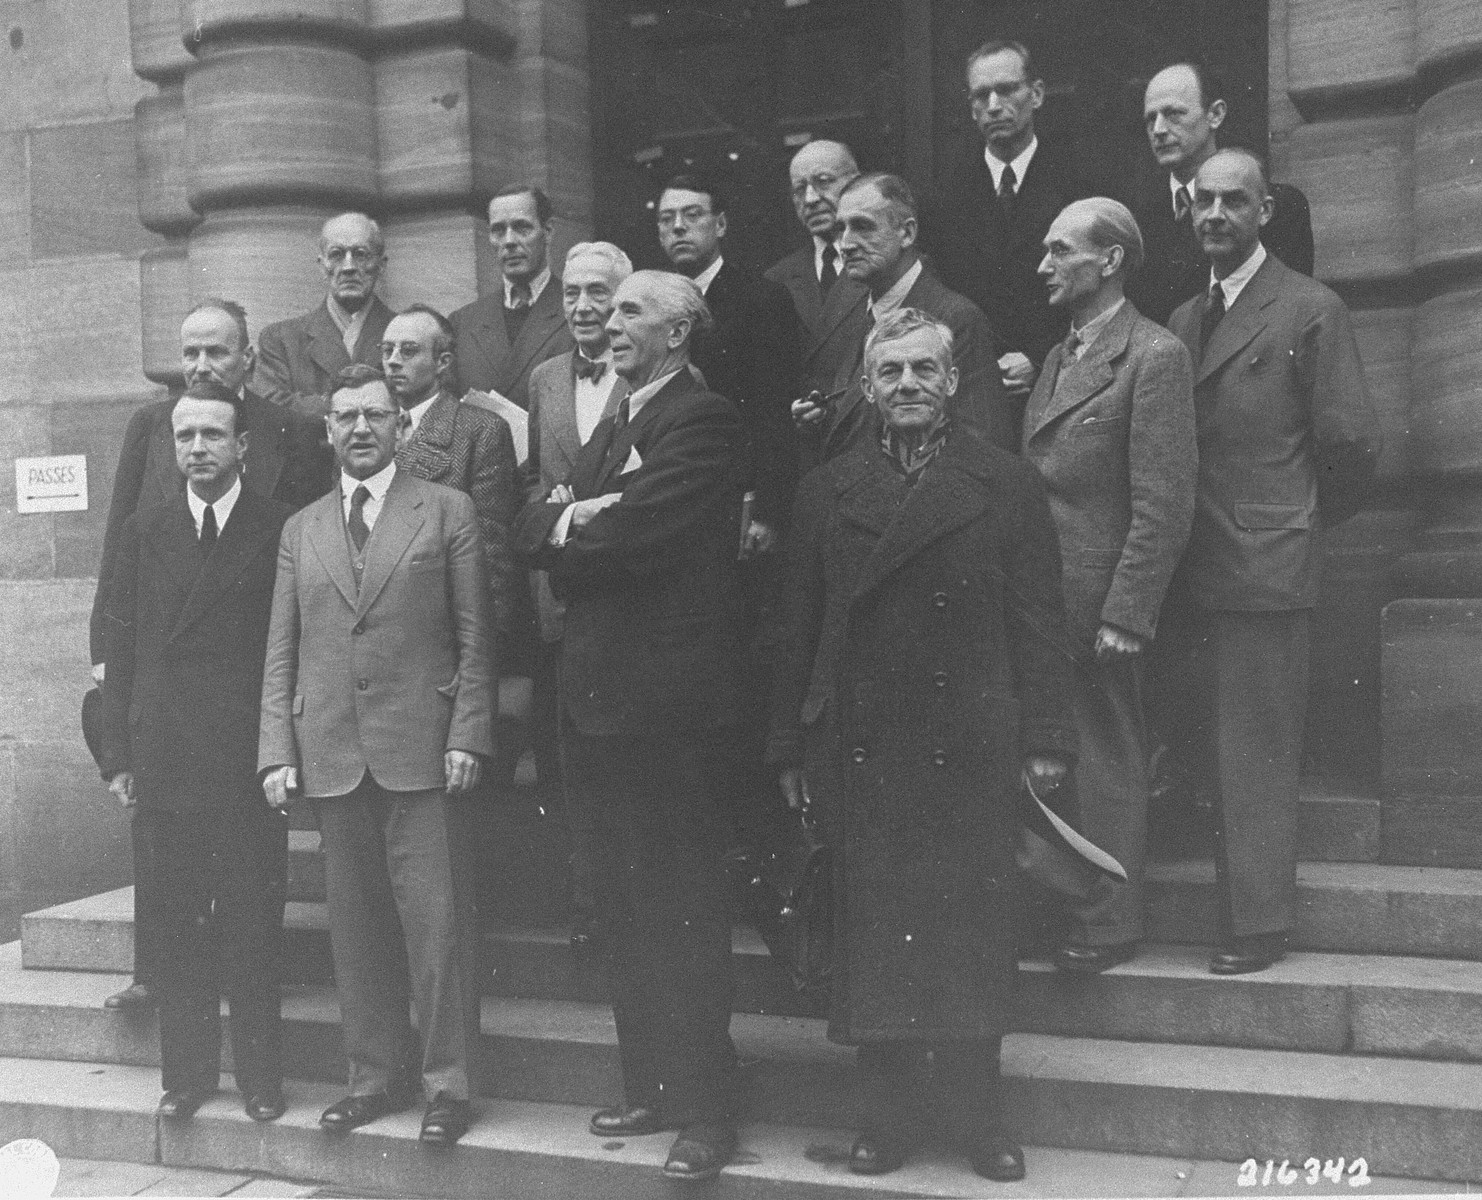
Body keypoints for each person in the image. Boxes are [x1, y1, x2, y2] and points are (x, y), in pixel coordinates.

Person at [769, 307, 1077, 1181]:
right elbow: (797, 629)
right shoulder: (826, 489)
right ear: (868, 388)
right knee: (878, 935)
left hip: (970, 739)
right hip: (861, 743)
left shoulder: (1005, 482)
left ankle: (981, 1121)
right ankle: (888, 1119)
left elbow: (1038, 619)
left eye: (924, 372)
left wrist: (1048, 735)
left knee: (971, 930)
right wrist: (788, 745)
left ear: (953, 384)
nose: (908, 387)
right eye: (891, 373)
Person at [515, 270, 747, 1183]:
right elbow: (530, 525)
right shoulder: (617, 416)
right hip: (597, 701)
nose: (608, 325)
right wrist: (582, 515)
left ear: (680, 331)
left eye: (629, 312)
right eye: (607, 311)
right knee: (622, 904)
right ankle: (652, 1083)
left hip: (667, 712)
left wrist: (578, 522)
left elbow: (642, 534)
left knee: (685, 907)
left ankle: (707, 1110)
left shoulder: (703, 417)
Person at [258, 373, 495, 1146]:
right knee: (354, 933)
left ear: (400, 426)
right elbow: (281, 651)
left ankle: (449, 1086)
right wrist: (275, 751)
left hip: (422, 751)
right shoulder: (302, 527)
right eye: (345, 416)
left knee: (437, 931)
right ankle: (373, 1077)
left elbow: (475, 635)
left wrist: (467, 733)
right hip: (331, 752)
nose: (360, 427)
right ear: (326, 429)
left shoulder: (446, 509)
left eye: (375, 414)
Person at [1164, 149, 1377, 975]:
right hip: (1194, 565)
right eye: (1204, 202)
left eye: (1234, 201)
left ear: (1264, 213)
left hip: (1266, 563)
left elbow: (1351, 445)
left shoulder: (1308, 308)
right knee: (1208, 745)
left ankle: (1258, 924)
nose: (1215, 214)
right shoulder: (1185, 318)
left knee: (1254, 748)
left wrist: (1292, 522)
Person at [89, 299, 328, 1014]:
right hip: (165, 673)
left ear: (248, 359)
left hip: (251, 658)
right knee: (161, 835)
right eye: (190, 352)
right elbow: (119, 540)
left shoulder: (289, 430)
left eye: (217, 352)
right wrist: (107, 650)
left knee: (251, 839)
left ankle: (252, 976)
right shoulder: (151, 425)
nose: (201, 366)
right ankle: (155, 971)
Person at [99, 379, 293, 1124]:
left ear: (242, 445)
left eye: (213, 435)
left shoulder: (278, 525)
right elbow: (122, 644)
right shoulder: (146, 528)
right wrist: (119, 755)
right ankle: (185, 1075)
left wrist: (281, 753)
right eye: (185, 436)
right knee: (178, 924)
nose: (198, 448)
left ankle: (260, 1077)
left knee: (251, 921)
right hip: (168, 757)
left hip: (246, 758)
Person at [1021, 198, 1196, 973]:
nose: (1044, 266)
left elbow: (1164, 502)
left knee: (1108, 759)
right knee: (1057, 754)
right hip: (1043, 598)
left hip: (1099, 605)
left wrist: (1129, 611)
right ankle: (1068, 909)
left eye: (1061, 251)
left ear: (1111, 260)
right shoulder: (1060, 356)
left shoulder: (1153, 355)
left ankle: (1109, 922)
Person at [524, 242, 633, 952]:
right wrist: (555, 510)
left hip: (628, 590)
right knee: (570, 760)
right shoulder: (543, 377)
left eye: (600, 294)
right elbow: (537, 478)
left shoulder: (648, 375)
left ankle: (628, 903)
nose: (585, 308)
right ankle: (588, 903)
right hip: (562, 590)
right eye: (573, 294)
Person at [923, 39, 1096, 438]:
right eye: (982, 95)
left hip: (1061, 384)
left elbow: (1098, 290)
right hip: (972, 392)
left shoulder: (1079, 182)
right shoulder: (945, 195)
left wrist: (1040, 358)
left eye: (1007, 89)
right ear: (971, 108)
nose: (994, 104)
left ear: (1035, 94)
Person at [791, 173, 1007, 460]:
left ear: (907, 233)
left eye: (862, 227)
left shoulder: (956, 319)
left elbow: (981, 449)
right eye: (840, 229)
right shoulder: (854, 307)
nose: (845, 244)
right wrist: (820, 418)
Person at [656, 172, 800, 552]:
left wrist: (768, 510)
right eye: (666, 219)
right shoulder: (650, 304)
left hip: (736, 493)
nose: (678, 227)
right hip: (667, 492)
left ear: (720, 224)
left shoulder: (760, 299)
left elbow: (775, 409)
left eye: (692, 215)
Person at [1128, 60, 1315, 327]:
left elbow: (1286, 319)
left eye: (1173, 114)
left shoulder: (1276, 209)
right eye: (1150, 118)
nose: (1158, 130)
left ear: (1215, 114)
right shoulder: (1140, 220)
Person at [379, 305, 521, 655]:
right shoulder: (364, 429)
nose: (394, 361)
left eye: (408, 351)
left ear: (443, 363)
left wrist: (481, 653)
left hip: (441, 634)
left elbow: (492, 557)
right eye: (387, 351)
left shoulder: (480, 430)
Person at [253, 212, 397, 419]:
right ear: (322, 266)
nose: (348, 267)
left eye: (360, 254)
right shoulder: (281, 340)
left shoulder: (404, 334)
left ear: (381, 265)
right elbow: (270, 406)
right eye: (337, 254)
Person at [763, 139, 870, 403]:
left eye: (823, 182)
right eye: (799, 190)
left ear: (855, 183)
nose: (810, 199)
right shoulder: (777, 279)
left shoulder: (886, 265)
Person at [450, 185, 574, 410]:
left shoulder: (576, 312)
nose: (508, 241)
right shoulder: (463, 322)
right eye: (498, 230)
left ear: (547, 231)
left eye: (521, 227)